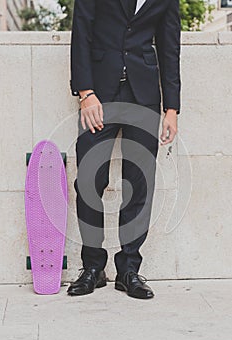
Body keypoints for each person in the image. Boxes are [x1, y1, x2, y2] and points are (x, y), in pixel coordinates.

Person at [67, 0, 181, 299]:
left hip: (143, 96)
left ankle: (128, 269)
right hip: (99, 97)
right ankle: (93, 267)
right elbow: (81, 33)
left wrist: (172, 108)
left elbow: (170, 47)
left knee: (139, 183)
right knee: (91, 180)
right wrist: (85, 93)